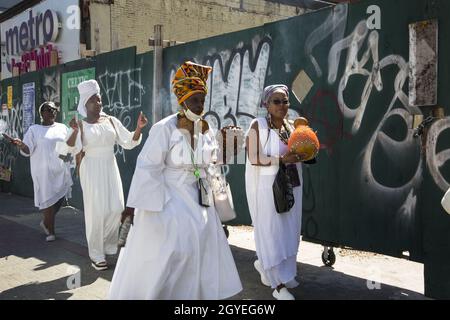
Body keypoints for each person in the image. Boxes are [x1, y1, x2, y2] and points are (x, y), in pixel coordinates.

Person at [108, 61, 243, 300]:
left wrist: (228, 150)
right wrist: (133, 206)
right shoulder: (164, 128)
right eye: (195, 100)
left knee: (202, 252)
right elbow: (147, 167)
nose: (200, 105)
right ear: (182, 100)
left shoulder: (206, 128)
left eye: (202, 100)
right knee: (174, 252)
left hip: (201, 202)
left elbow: (211, 163)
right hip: (170, 200)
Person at [71, 79, 148, 271]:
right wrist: (73, 131)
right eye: (95, 100)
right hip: (91, 168)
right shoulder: (80, 125)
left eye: (100, 99)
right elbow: (71, 148)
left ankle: (107, 246)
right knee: (96, 212)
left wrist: (138, 128)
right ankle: (96, 254)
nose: (99, 103)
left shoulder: (112, 120)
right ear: (85, 103)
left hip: (109, 165)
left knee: (116, 207)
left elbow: (129, 141)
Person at [245, 84, 306, 300]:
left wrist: (303, 153)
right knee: (272, 233)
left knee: (289, 231)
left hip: (292, 186)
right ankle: (277, 284)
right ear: (266, 104)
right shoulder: (258, 125)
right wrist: (281, 160)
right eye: (276, 101)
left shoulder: (291, 127)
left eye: (285, 101)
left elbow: (301, 153)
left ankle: (277, 270)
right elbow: (253, 157)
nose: (282, 105)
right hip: (267, 190)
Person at [8, 101, 78, 242]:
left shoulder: (62, 127)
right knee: (48, 201)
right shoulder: (34, 129)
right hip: (43, 172)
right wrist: (21, 144)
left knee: (59, 198)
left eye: (54, 109)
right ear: (42, 113)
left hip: (59, 169)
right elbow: (28, 149)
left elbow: (67, 147)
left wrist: (74, 131)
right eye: (48, 109)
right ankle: (51, 231)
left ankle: (46, 221)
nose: (52, 111)